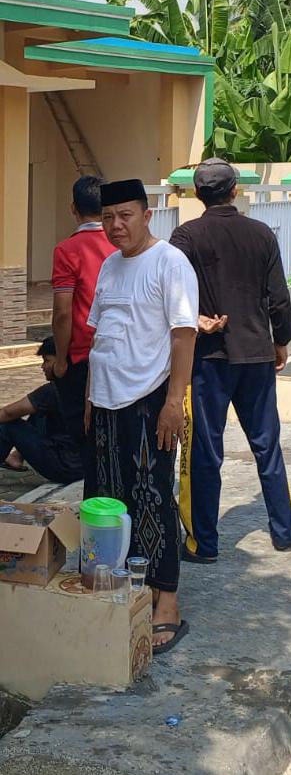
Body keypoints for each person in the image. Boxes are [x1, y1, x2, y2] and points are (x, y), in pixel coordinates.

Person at [86, 179, 198, 655]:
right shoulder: (110, 265)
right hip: (105, 401)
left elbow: (184, 334)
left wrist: (174, 401)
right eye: (108, 217)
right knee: (108, 498)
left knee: (152, 497)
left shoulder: (169, 262)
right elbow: (101, 335)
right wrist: (90, 397)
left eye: (125, 215)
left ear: (147, 215)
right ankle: (122, 592)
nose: (116, 225)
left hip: (150, 399)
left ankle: (165, 601)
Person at [169, 158, 291, 563]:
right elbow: (279, 297)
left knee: (204, 452)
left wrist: (197, 320)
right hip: (256, 353)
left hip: (208, 358)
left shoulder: (185, 236)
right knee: (267, 445)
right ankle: (285, 531)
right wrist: (281, 341)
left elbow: (172, 293)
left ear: (197, 194)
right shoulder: (262, 234)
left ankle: (203, 544)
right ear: (235, 191)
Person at [51, 174, 115, 498]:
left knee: (87, 439)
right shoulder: (121, 244)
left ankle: (96, 505)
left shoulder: (67, 250)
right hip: (119, 354)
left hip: (82, 355)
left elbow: (63, 312)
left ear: (73, 208)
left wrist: (61, 360)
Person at [0, 338, 83, 483]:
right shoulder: (80, 382)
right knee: (38, 412)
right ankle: (16, 456)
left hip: (64, 466)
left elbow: (8, 413)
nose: (43, 366)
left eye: (47, 361)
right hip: (80, 464)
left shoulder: (53, 391)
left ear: (62, 361)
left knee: (7, 425)